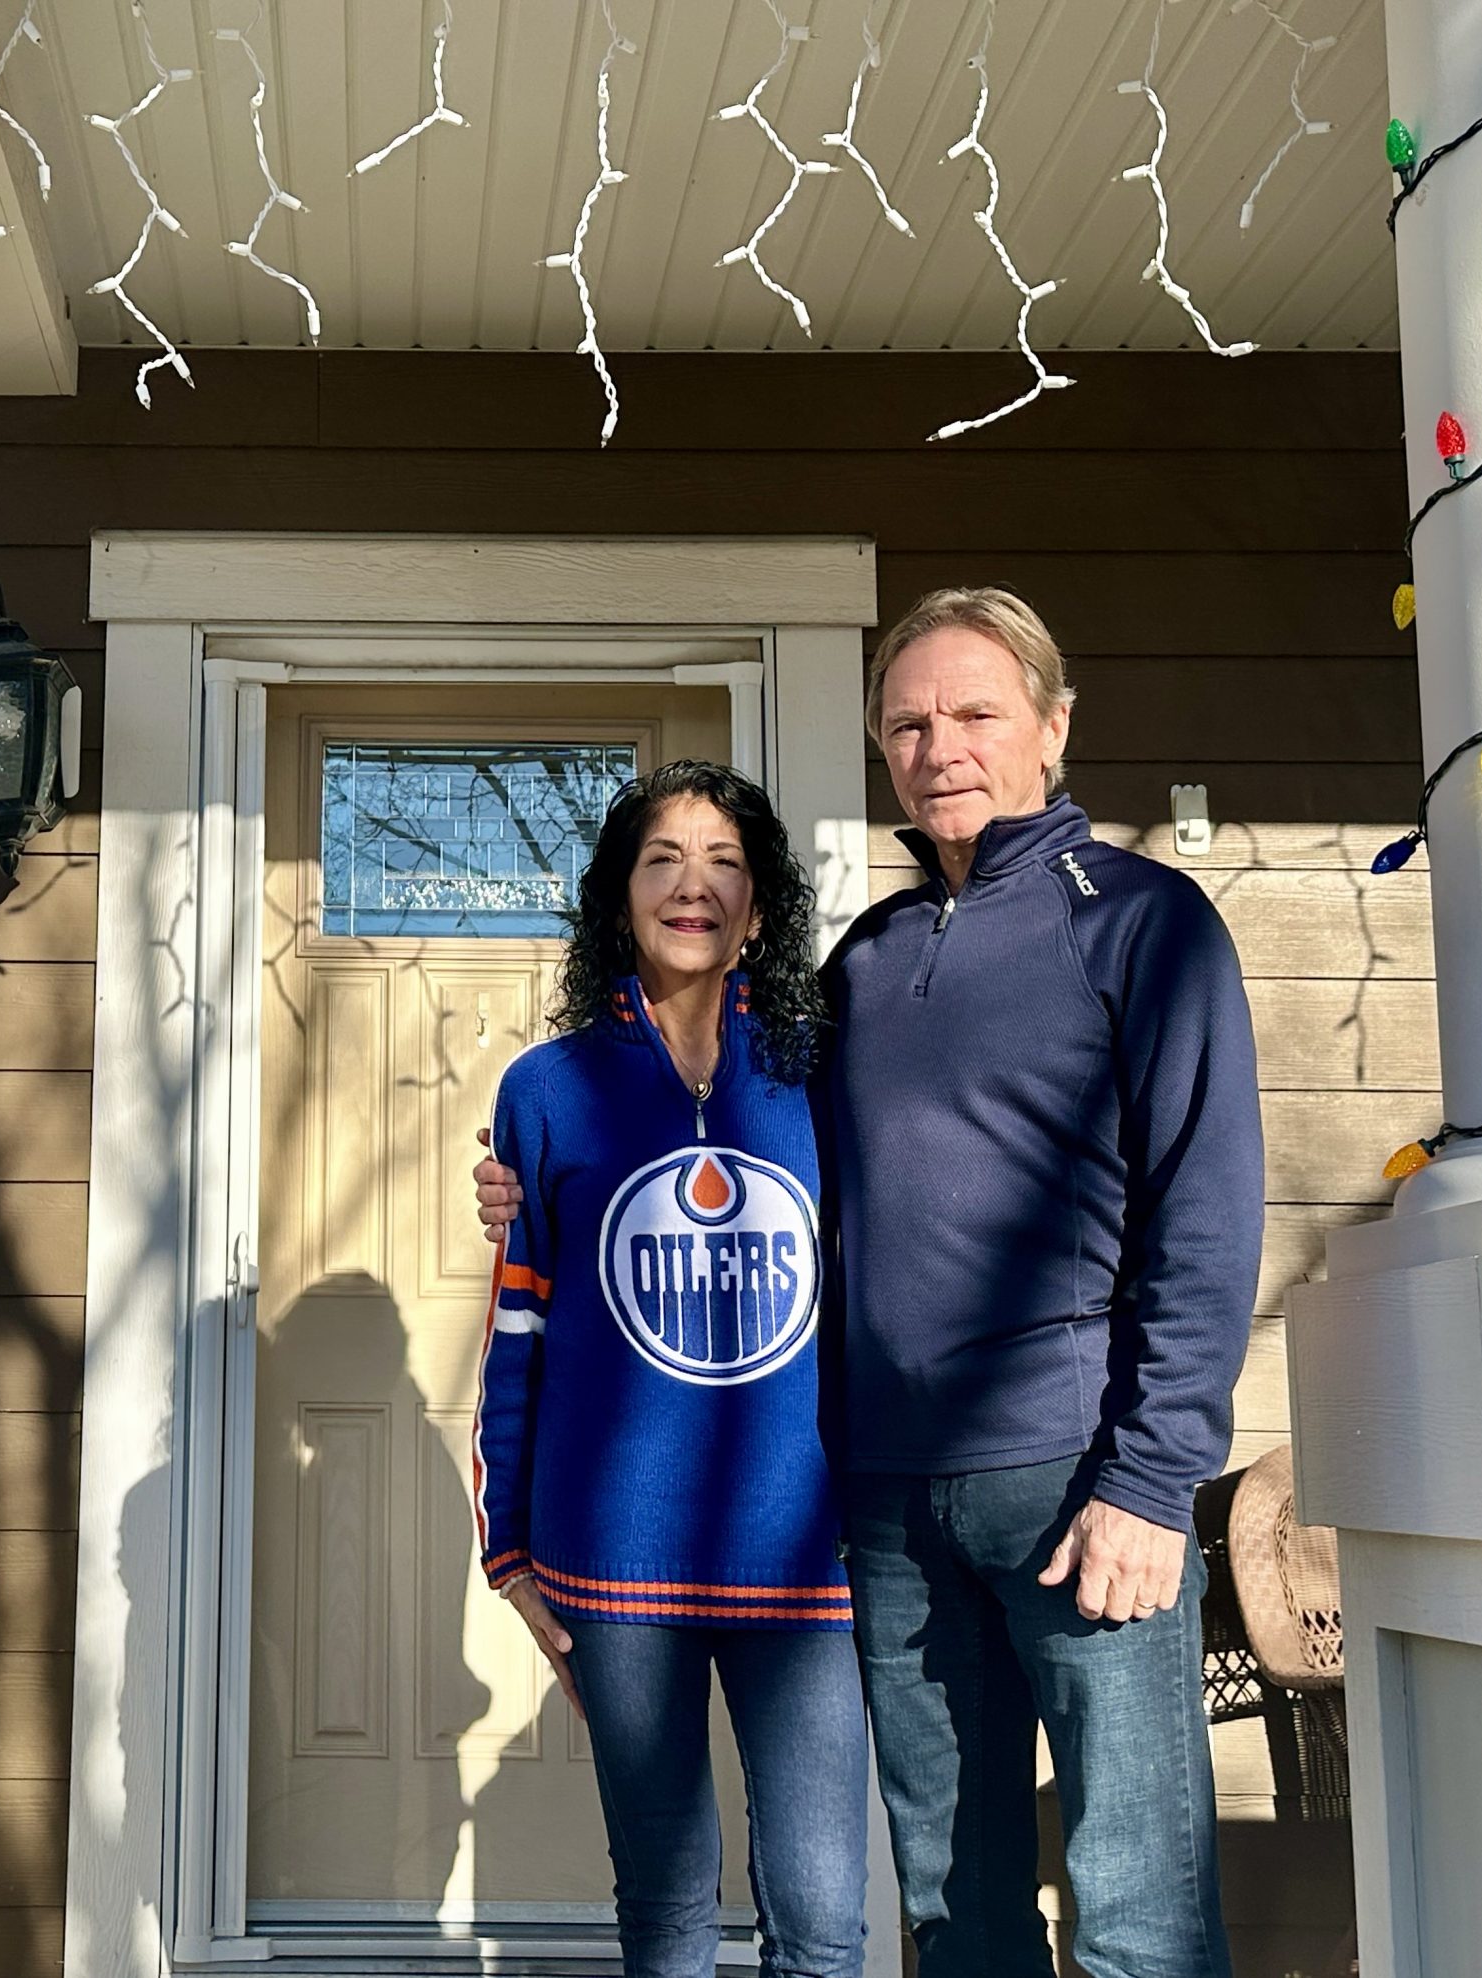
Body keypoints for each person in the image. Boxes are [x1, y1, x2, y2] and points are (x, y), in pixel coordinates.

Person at [477, 588, 1263, 1978]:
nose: (938, 744)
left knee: (1136, 1910)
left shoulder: (1145, 926)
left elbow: (1205, 1215)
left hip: (1079, 1485)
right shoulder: (866, 968)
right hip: (889, 1510)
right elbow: (730, 1147)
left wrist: (1153, 1477)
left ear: (1054, 726)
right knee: (958, 1910)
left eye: (974, 712)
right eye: (908, 720)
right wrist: (526, 1186)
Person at [479, 758, 868, 1978]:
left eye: (723, 866)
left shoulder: (825, 1078)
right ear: (617, 897)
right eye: (662, 861)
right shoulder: (547, 1090)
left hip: (802, 1559)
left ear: (759, 906)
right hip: (613, 1560)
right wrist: (509, 1553)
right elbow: (517, 1329)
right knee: (664, 1909)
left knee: (821, 1918)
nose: (691, 889)